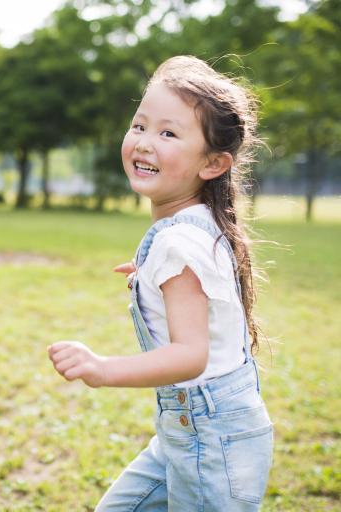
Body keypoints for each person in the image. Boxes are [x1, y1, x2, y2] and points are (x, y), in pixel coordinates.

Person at [48, 55, 273, 511]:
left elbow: (190, 356)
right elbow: (199, 287)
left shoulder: (180, 243)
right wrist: (148, 274)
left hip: (210, 440)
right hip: (194, 432)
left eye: (168, 134)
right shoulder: (199, 224)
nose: (145, 142)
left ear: (212, 164)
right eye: (140, 125)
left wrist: (102, 369)